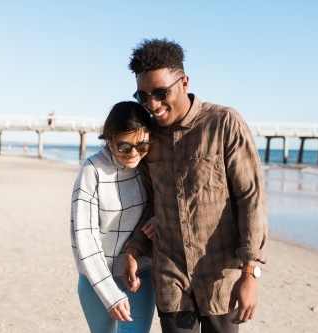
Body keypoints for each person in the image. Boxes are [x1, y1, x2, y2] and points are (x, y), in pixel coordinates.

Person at [122, 38, 268, 333]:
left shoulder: (224, 123)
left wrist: (250, 272)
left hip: (220, 278)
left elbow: (250, 198)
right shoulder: (151, 137)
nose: (153, 105)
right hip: (170, 277)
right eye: (144, 96)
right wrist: (134, 249)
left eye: (161, 93)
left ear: (184, 81)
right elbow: (152, 201)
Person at [70, 101, 156, 333]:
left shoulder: (148, 164)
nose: (134, 153)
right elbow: (85, 238)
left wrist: (158, 219)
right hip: (96, 279)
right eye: (124, 147)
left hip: (142, 275)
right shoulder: (92, 171)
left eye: (142, 145)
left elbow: (165, 201)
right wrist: (110, 294)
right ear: (109, 138)